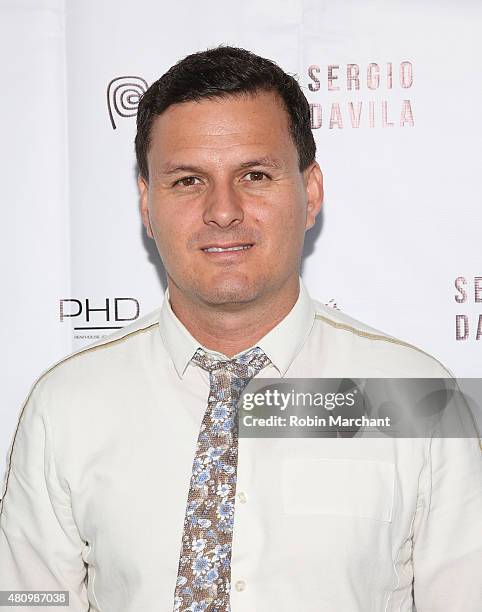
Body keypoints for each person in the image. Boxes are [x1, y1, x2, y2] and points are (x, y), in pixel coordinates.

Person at [0, 45, 480, 612]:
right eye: (186, 181)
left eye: (254, 175)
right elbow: (29, 602)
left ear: (311, 192)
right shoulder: (66, 405)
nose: (223, 211)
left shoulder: (416, 395)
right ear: (146, 205)